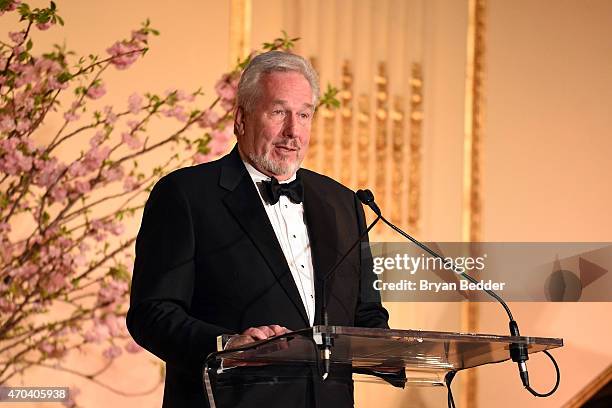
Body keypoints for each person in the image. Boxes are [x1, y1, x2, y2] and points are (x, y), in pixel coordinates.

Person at [127, 50, 390, 408]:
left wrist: (403, 350)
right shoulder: (186, 195)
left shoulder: (344, 203)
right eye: (278, 112)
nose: (293, 131)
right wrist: (226, 345)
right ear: (241, 119)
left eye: (304, 114)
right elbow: (152, 313)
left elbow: (368, 316)